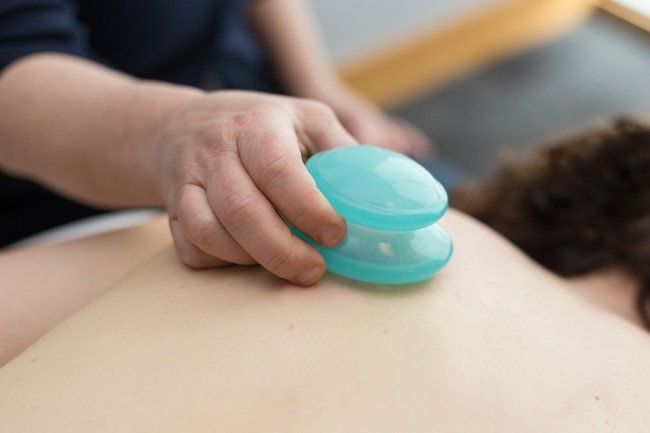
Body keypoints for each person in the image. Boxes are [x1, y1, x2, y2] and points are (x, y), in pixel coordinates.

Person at [0, 0, 431, 286]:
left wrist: (321, 87)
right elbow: (13, 69)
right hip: (72, 202)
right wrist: (176, 132)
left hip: (258, 104)